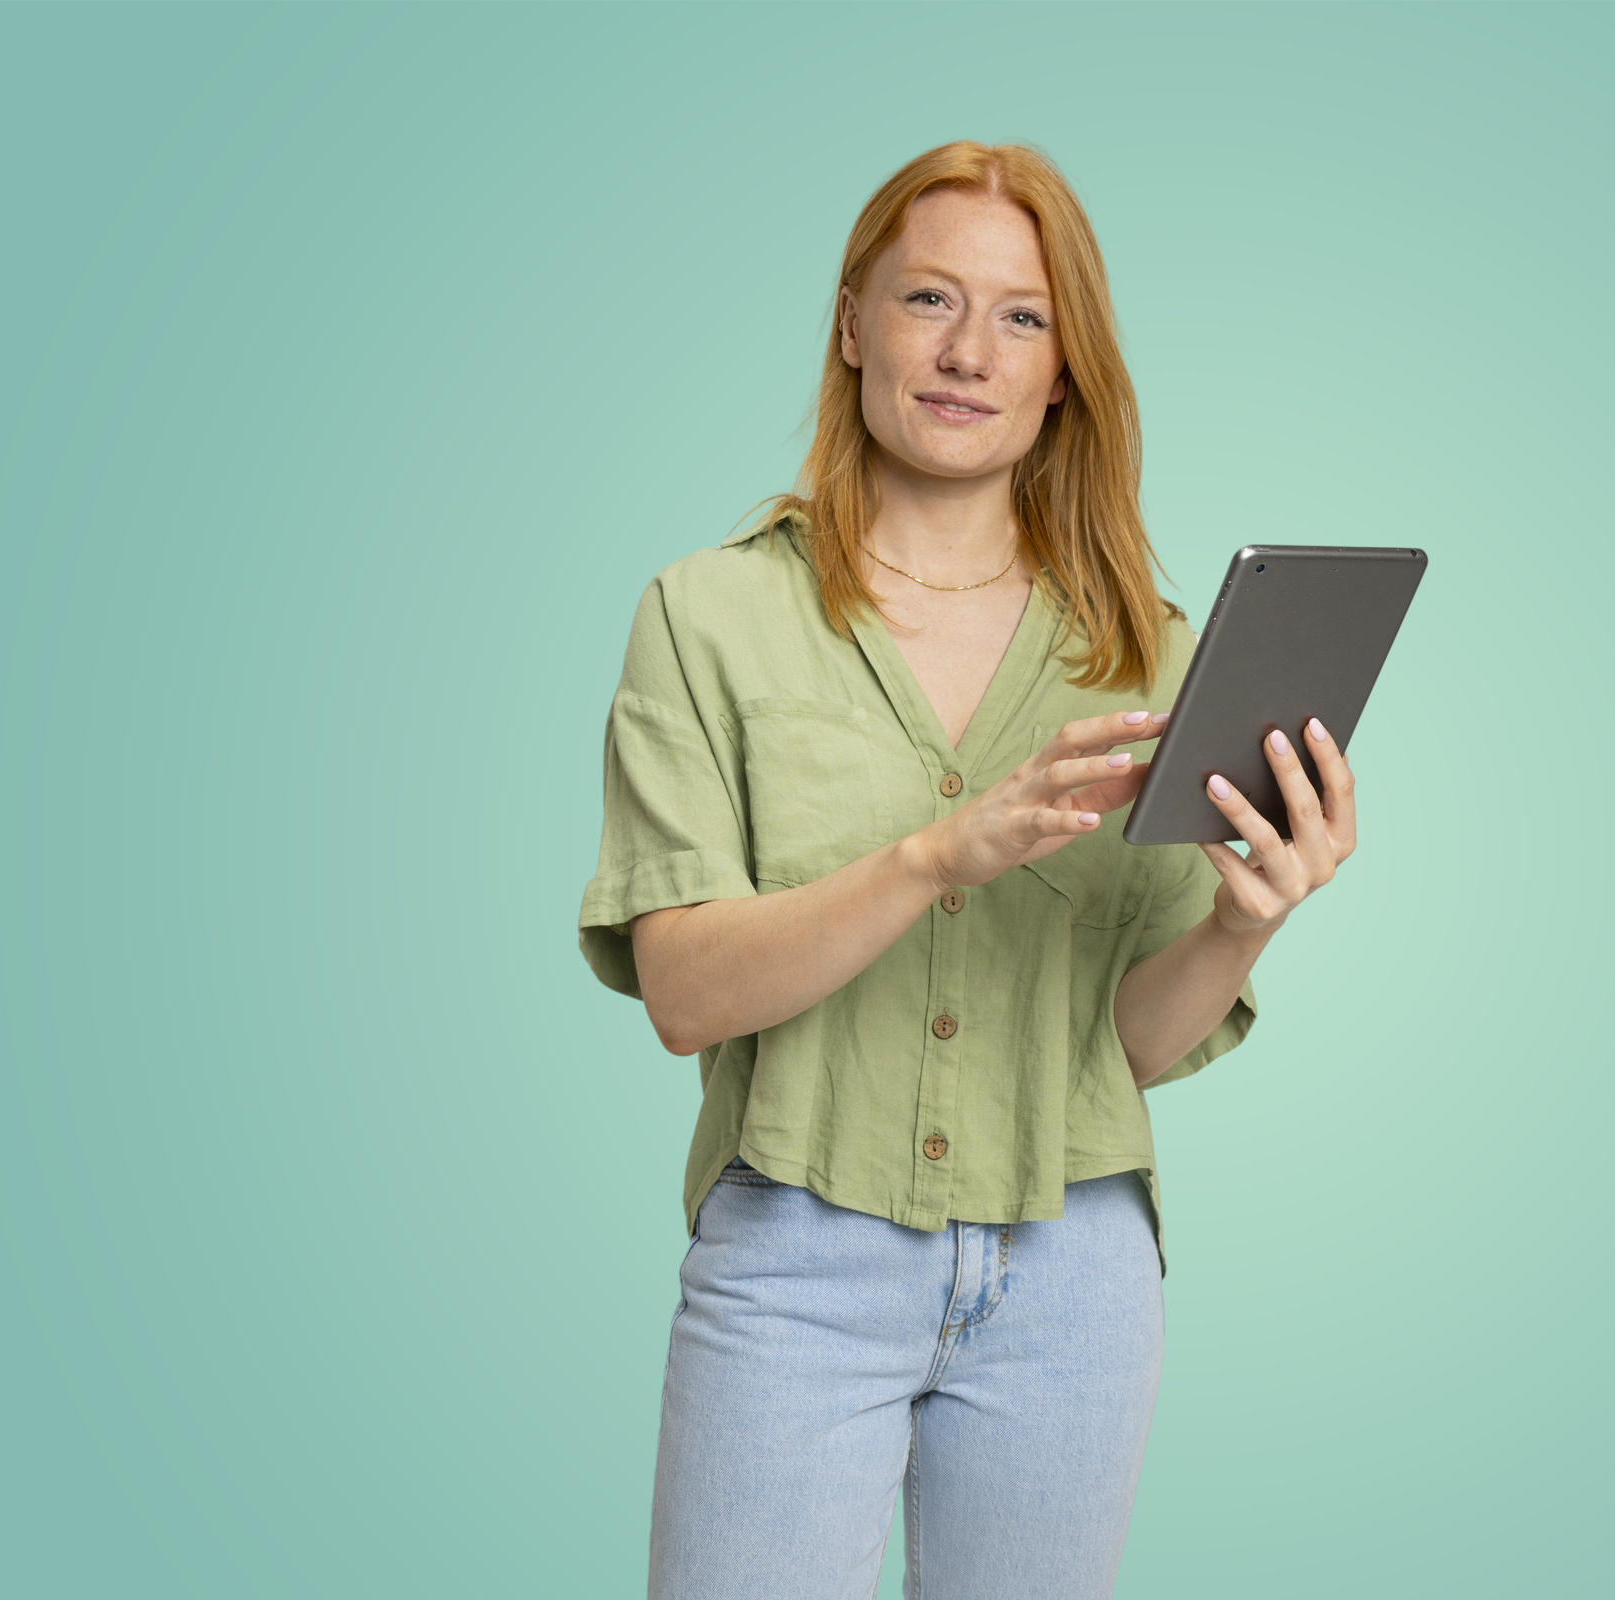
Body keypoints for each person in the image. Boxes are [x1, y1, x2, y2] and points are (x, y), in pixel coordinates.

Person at [577, 141, 1358, 1600]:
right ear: (852, 321)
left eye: (1019, 316)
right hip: (797, 1264)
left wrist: (1250, 926)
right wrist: (937, 855)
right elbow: (683, 991)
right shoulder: (708, 615)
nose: (964, 351)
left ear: (1065, 368)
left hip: (1076, 1275)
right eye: (928, 296)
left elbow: (1121, 1041)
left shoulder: (1149, 651)